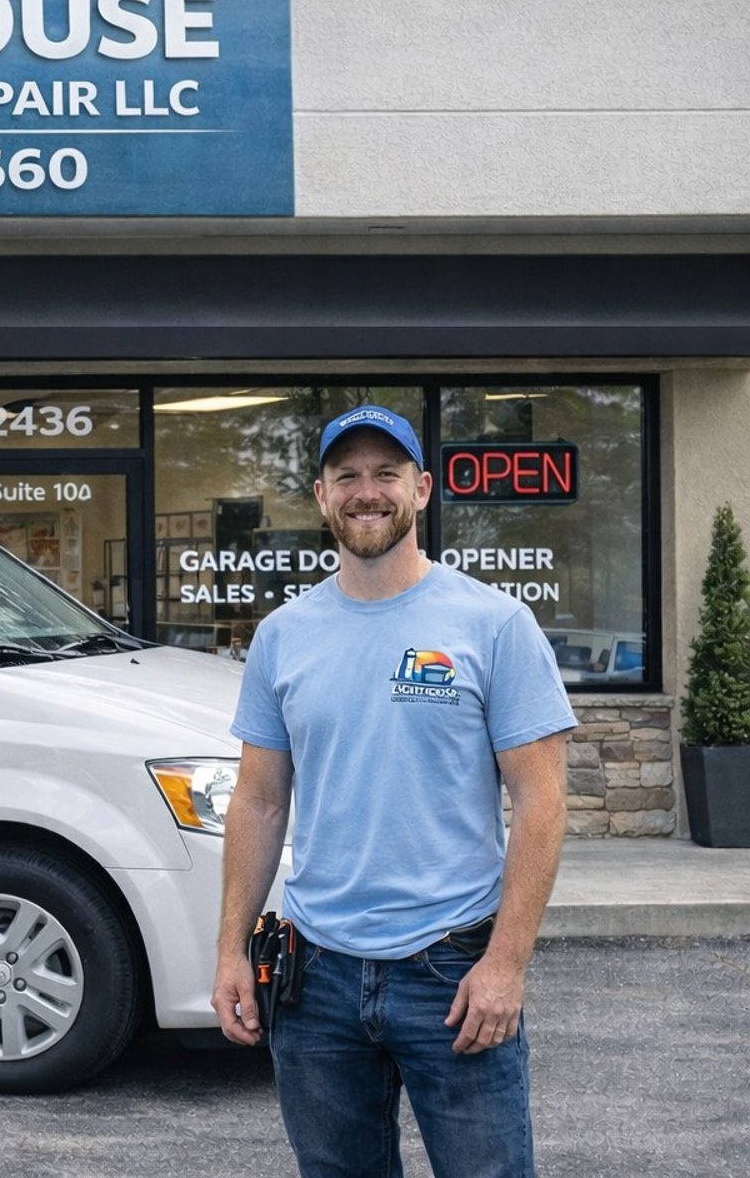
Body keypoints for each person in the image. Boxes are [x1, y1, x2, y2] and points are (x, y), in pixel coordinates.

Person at [211, 404, 575, 1177]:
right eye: (347, 476)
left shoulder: (494, 625)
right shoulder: (284, 635)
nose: (365, 491)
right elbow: (259, 801)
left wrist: (506, 964)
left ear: (423, 490)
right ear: (321, 494)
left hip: (452, 969)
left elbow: (541, 802)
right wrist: (231, 953)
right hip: (317, 978)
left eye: (385, 475)